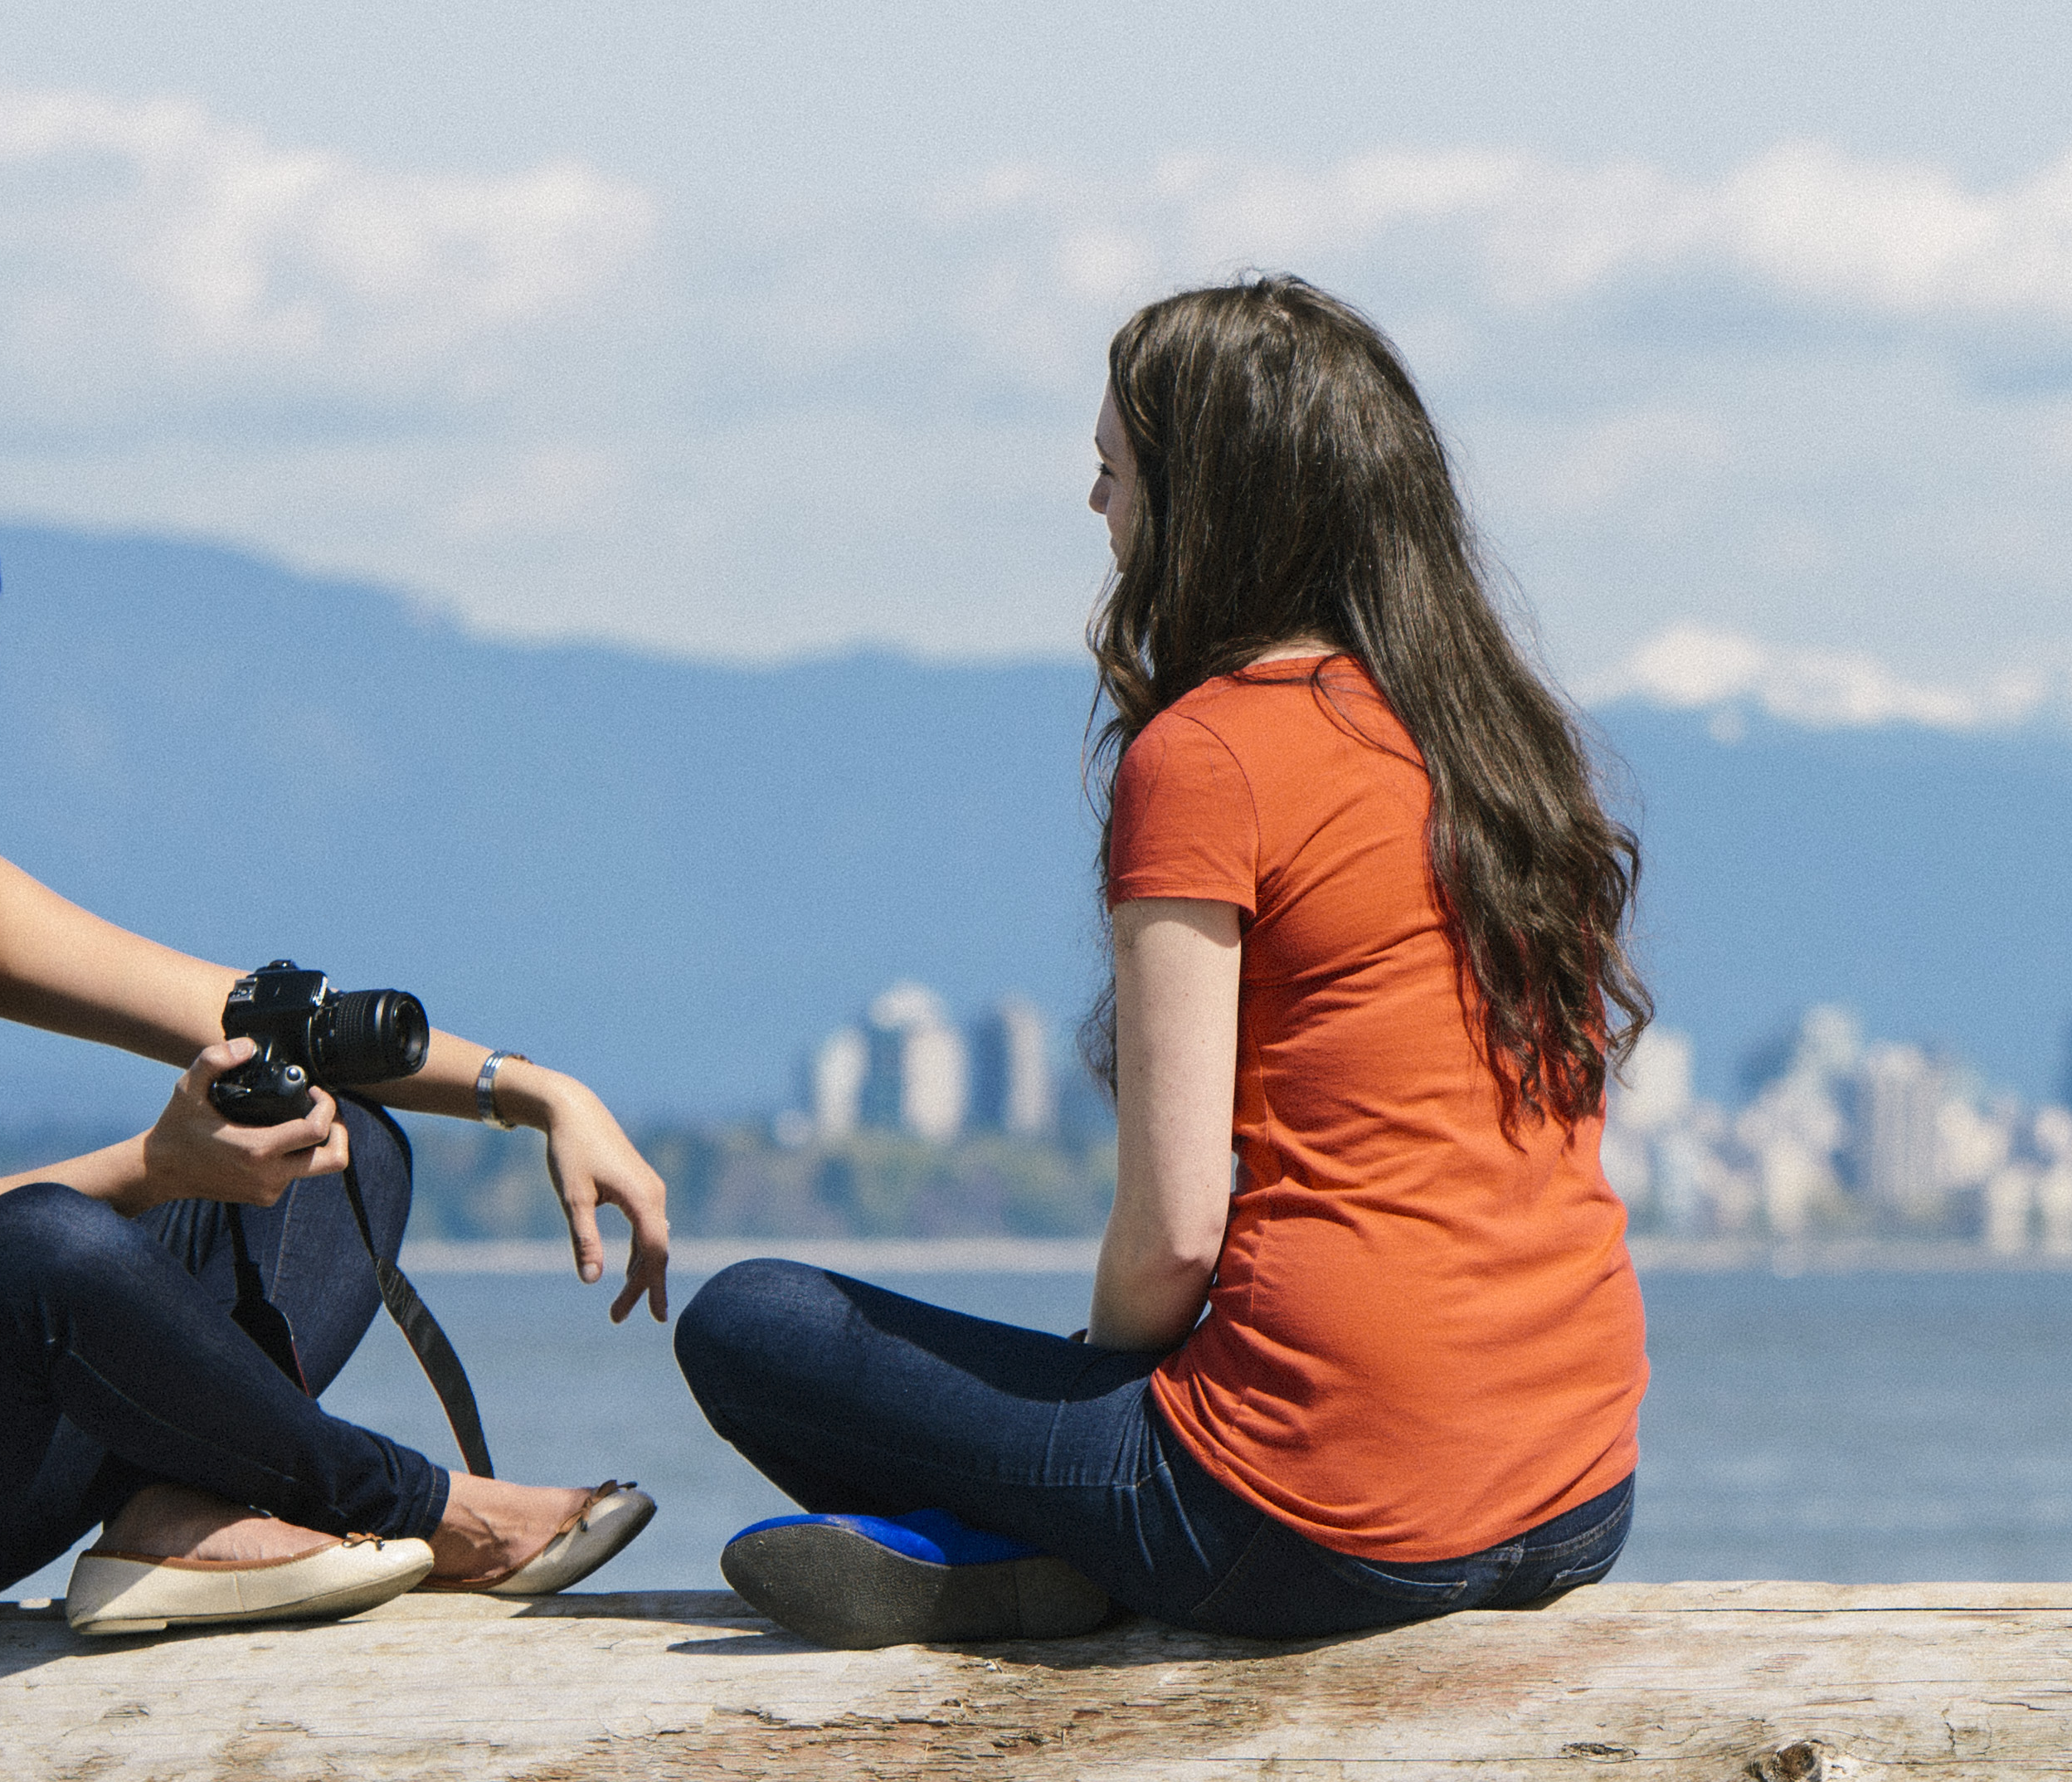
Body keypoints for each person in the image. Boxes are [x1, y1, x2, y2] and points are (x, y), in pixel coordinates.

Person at [0, 428, 674, 1648]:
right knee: (45, 1240)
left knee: (329, 1124)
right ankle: (427, 1507)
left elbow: (256, 1013)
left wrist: (535, 1092)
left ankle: (185, 1507)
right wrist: (152, 1170)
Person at [682, 278, 1643, 1644]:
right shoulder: (1499, 743)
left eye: (1111, 470)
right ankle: (1022, 1548)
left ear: (1212, 505)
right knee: (1089, 1412)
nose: (1096, 511)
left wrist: (1094, 1412)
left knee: (749, 1321)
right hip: (1577, 1494)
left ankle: (1047, 1545)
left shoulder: (1205, 754)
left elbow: (1177, 1231)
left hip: (1315, 1521)